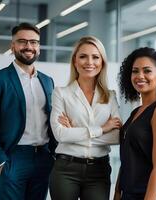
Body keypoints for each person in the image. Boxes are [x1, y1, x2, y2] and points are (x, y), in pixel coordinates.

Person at [0, 22, 56, 200]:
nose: (29, 46)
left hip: (44, 157)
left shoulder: (48, 81)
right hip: (13, 157)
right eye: (22, 41)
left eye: (34, 42)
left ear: (39, 46)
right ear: (13, 45)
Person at [49, 36, 122, 200]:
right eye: (83, 56)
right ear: (75, 61)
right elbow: (60, 135)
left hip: (99, 170)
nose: (89, 62)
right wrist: (102, 129)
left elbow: (117, 136)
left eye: (95, 57)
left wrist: (73, 134)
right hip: (65, 169)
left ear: (102, 62)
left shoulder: (110, 96)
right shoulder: (61, 93)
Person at [114, 47, 156, 200]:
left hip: (152, 195)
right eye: (135, 71)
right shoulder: (135, 112)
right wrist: (117, 194)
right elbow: (127, 159)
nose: (139, 76)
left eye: (147, 71)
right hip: (129, 194)